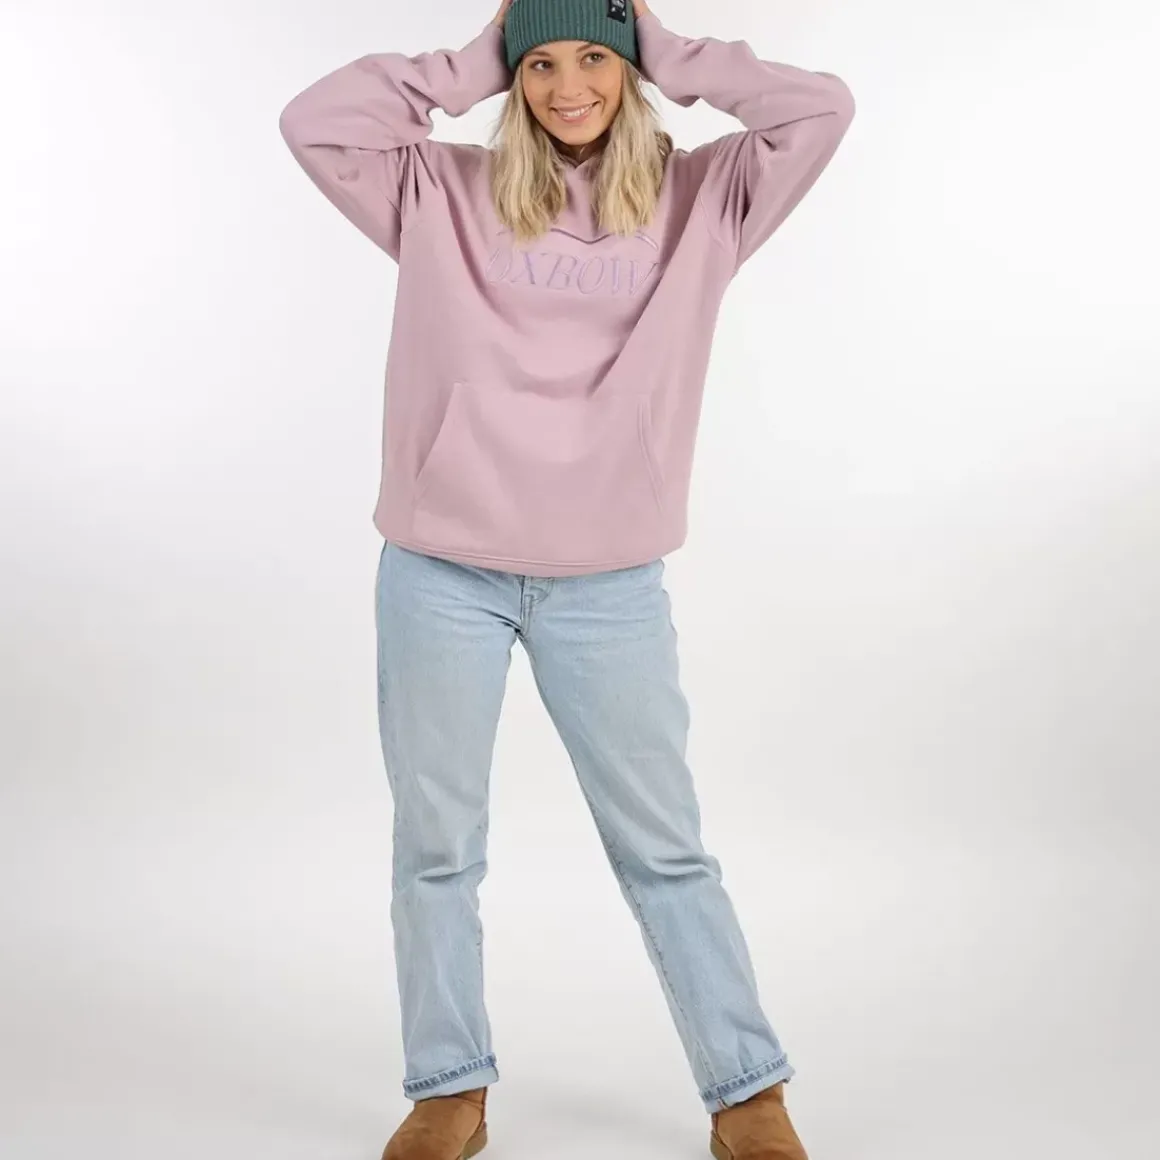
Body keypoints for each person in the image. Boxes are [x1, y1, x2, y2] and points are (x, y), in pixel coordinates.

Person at [279, 0, 853, 1156]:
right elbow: (313, 122)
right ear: (512, 70)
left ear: (628, 62)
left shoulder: (704, 198)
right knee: (436, 844)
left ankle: (746, 1088)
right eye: (539, 61)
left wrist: (663, 48)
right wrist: (471, 61)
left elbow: (819, 108)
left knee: (664, 846)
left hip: (607, 580)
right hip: (440, 567)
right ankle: (448, 1086)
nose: (567, 85)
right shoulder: (434, 190)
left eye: (593, 55)